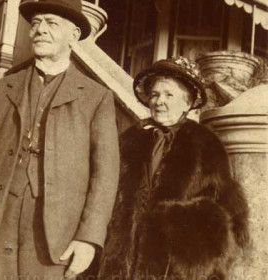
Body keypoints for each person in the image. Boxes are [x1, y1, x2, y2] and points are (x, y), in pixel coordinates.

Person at [0, 0, 119, 279]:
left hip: (55, 236)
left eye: (52, 23)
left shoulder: (96, 98)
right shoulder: (1, 89)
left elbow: (105, 176)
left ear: (73, 36)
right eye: (35, 23)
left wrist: (88, 238)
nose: (40, 30)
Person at [98, 57, 249, 280]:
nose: (160, 101)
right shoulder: (129, 140)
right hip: (125, 255)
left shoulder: (205, 144)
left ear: (187, 103)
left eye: (169, 95)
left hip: (177, 263)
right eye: (155, 94)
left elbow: (228, 208)